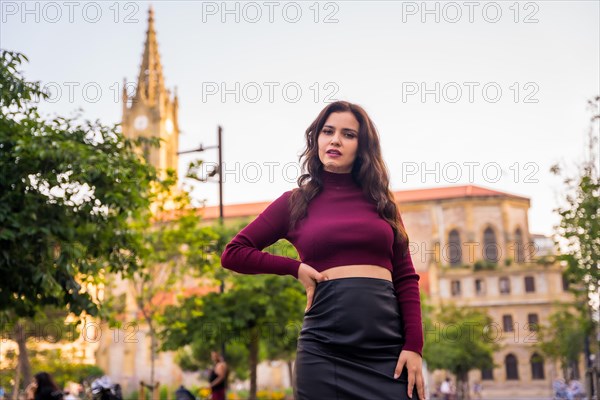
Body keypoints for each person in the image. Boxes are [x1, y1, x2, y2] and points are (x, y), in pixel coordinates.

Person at [220, 101, 425, 399]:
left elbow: (406, 277)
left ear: (362, 146)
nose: (335, 140)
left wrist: (414, 346)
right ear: (316, 138)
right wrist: (295, 268)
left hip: (387, 350)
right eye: (328, 131)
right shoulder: (295, 202)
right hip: (324, 350)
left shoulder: (383, 203)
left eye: (348, 134)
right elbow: (234, 252)